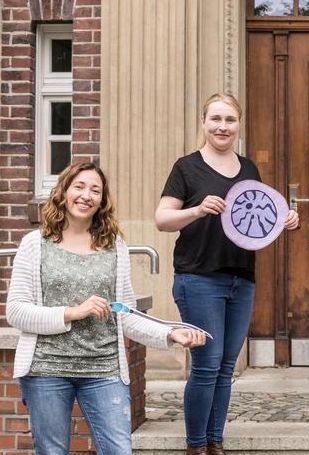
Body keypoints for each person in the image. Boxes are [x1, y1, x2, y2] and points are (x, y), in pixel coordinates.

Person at [6, 161, 206, 455]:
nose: (86, 195)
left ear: (102, 200)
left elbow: (125, 314)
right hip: (45, 370)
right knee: (52, 451)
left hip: (104, 369)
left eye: (95, 190)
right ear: (63, 191)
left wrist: (170, 334)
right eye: (79, 186)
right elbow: (16, 311)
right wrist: (73, 312)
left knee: (118, 449)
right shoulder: (35, 244)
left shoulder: (114, 246)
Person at [155, 92, 299, 455]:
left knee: (225, 367)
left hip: (241, 278)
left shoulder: (249, 170)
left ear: (239, 125)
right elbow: (162, 219)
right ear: (203, 123)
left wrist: (285, 220)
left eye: (230, 120)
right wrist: (197, 210)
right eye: (216, 119)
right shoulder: (186, 167)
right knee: (206, 364)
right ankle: (196, 446)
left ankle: (215, 442)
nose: (222, 127)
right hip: (198, 277)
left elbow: (256, 219)